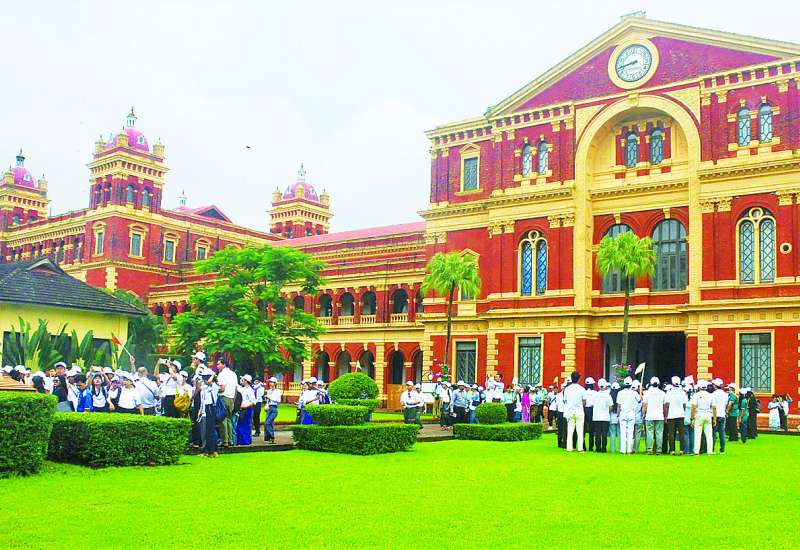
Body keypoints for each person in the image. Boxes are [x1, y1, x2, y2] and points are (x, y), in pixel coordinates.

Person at [197, 366, 219, 457]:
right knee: (207, 431)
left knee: (210, 430)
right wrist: (200, 410)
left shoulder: (214, 385)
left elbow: (209, 382)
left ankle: (212, 450)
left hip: (211, 408)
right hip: (205, 408)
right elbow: (203, 400)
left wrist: (213, 375)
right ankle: (209, 451)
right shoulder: (204, 387)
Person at [216, 358, 238, 447]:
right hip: (232, 398)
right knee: (229, 419)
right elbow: (236, 388)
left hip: (224, 397)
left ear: (224, 364)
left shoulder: (221, 374)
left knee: (223, 419)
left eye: (218, 364)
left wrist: (215, 388)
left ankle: (225, 441)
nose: (217, 366)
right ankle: (230, 440)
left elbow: (222, 388)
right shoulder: (233, 374)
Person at [642, 376, 666, 455]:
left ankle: (649, 449)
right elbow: (664, 406)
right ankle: (659, 450)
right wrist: (665, 415)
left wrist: (643, 414)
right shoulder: (662, 393)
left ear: (650, 383)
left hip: (649, 415)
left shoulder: (647, 393)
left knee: (649, 433)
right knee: (659, 433)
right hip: (659, 416)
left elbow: (644, 405)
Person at [691, 379, 716, 455]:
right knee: (709, 434)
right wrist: (714, 419)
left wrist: (692, 417)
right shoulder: (710, 395)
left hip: (699, 414)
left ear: (699, 387)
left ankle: (696, 451)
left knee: (697, 434)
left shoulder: (696, 395)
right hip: (708, 414)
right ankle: (710, 451)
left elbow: (694, 407)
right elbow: (714, 407)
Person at [563, 371, 586, 452]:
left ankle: (569, 448)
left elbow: (565, 401)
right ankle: (580, 448)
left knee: (570, 430)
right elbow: (584, 402)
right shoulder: (582, 389)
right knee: (580, 431)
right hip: (579, 411)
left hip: (570, 411)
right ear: (578, 379)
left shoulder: (567, 389)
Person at [664, 376, 687, 455]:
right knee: (681, 434)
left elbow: (667, 405)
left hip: (671, 415)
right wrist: (683, 412)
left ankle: (672, 450)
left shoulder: (669, 392)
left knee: (671, 433)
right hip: (681, 415)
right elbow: (684, 405)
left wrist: (666, 416)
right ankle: (682, 450)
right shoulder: (682, 392)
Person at [617, 377, 639, 454]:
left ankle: (623, 450)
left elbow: (619, 405)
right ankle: (629, 450)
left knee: (623, 432)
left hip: (623, 413)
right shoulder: (634, 393)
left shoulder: (620, 393)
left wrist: (618, 414)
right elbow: (639, 400)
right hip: (631, 413)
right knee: (630, 432)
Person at [592, 379, 613, 452]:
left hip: (596, 416)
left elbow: (592, 404)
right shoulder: (608, 395)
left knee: (597, 433)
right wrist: (607, 411)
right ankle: (604, 448)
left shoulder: (595, 395)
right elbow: (610, 407)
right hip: (605, 417)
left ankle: (598, 448)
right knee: (604, 433)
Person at [710, 378, 730, 454]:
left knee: (713, 433)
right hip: (722, 414)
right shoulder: (725, 395)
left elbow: (712, 406)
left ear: (715, 386)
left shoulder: (713, 394)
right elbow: (725, 404)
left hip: (714, 415)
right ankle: (722, 449)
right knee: (722, 433)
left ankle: (712, 449)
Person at [235, 375, 256, 445]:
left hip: (247, 409)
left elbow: (253, 402)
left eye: (243, 380)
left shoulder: (250, 390)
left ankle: (246, 441)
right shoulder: (243, 389)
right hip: (242, 409)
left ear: (246, 381)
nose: (242, 381)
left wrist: (245, 406)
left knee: (246, 425)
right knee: (240, 425)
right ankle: (240, 440)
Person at [264, 377, 281, 443]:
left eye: (272, 382)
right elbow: (267, 400)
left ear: (275, 383)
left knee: (267, 423)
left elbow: (278, 400)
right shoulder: (269, 391)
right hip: (269, 407)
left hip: (274, 408)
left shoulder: (277, 391)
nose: (270, 383)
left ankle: (272, 436)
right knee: (268, 423)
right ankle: (267, 438)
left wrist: (270, 397)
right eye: (270, 382)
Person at [583, 377, 596, 452]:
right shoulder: (595, 393)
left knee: (583, 429)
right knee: (592, 430)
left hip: (584, 409)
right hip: (592, 410)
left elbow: (583, 402)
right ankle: (591, 447)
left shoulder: (583, 392)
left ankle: (583, 446)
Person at [631, 380, 644, 453]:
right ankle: (635, 449)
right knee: (637, 434)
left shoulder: (629, 394)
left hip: (631, 416)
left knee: (630, 434)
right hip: (638, 417)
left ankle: (630, 448)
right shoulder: (640, 396)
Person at [608, 382, 620, 453]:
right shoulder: (620, 395)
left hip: (612, 416)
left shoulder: (609, 396)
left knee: (612, 434)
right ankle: (620, 448)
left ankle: (612, 449)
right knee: (620, 434)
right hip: (619, 416)